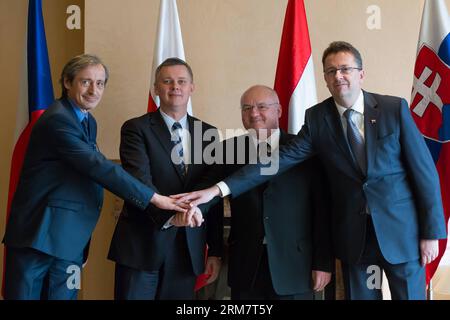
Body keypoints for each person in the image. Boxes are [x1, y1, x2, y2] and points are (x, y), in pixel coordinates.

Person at [176, 42, 447, 300]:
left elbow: (424, 173)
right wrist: (218, 189)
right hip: (355, 240)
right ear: (325, 79)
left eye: (345, 69)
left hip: (402, 234)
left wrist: (431, 231)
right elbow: (278, 161)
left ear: (361, 74)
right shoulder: (318, 119)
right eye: (331, 71)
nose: (338, 76)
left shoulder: (393, 108)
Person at [2, 54, 187, 300]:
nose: (94, 90)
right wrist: (155, 198)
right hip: (39, 237)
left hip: (69, 239)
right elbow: (98, 166)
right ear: (67, 82)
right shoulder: (58, 120)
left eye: (100, 83)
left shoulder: (88, 121)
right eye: (86, 82)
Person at [201, 85, 333, 299]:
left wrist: (323, 261)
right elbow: (211, 202)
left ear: (279, 111)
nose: (253, 113)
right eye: (246, 108)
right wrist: (214, 251)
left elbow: (321, 209)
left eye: (262, 106)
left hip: (295, 265)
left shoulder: (305, 149)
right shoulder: (226, 150)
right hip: (245, 265)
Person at [108, 58, 223, 300]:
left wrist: (214, 250)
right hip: (142, 246)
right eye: (167, 81)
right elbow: (139, 182)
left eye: (182, 81)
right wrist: (173, 216)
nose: (175, 87)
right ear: (156, 89)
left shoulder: (209, 134)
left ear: (192, 87)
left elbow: (212, 195)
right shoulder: (136, 128)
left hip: (188, 250)